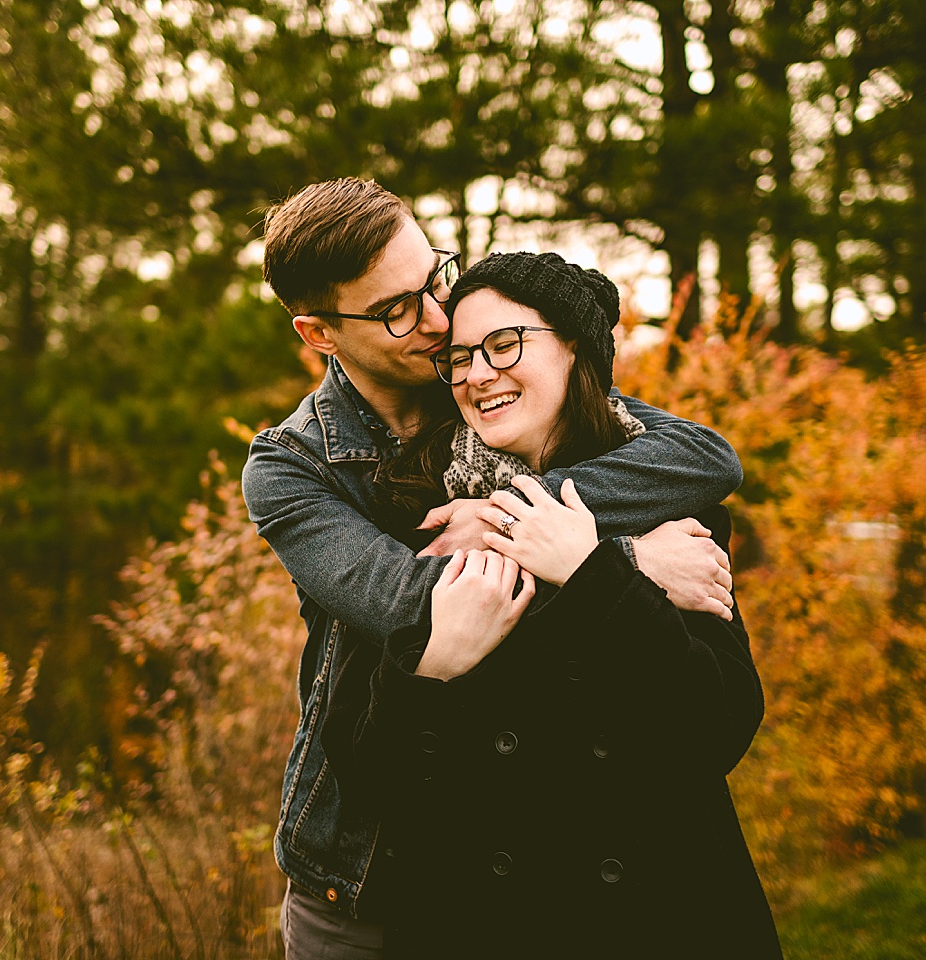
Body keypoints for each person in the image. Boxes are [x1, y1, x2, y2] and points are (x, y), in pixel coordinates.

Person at [241, 177, 743, 959]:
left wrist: (518, 509)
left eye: (434, 278)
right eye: (396, 310)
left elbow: (702, 456)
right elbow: (420, 609)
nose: (440, 324)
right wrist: (619, 560)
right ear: (319, 333)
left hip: (508, 865)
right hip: (361, 868)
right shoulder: (291, 468)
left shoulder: (486, 389)